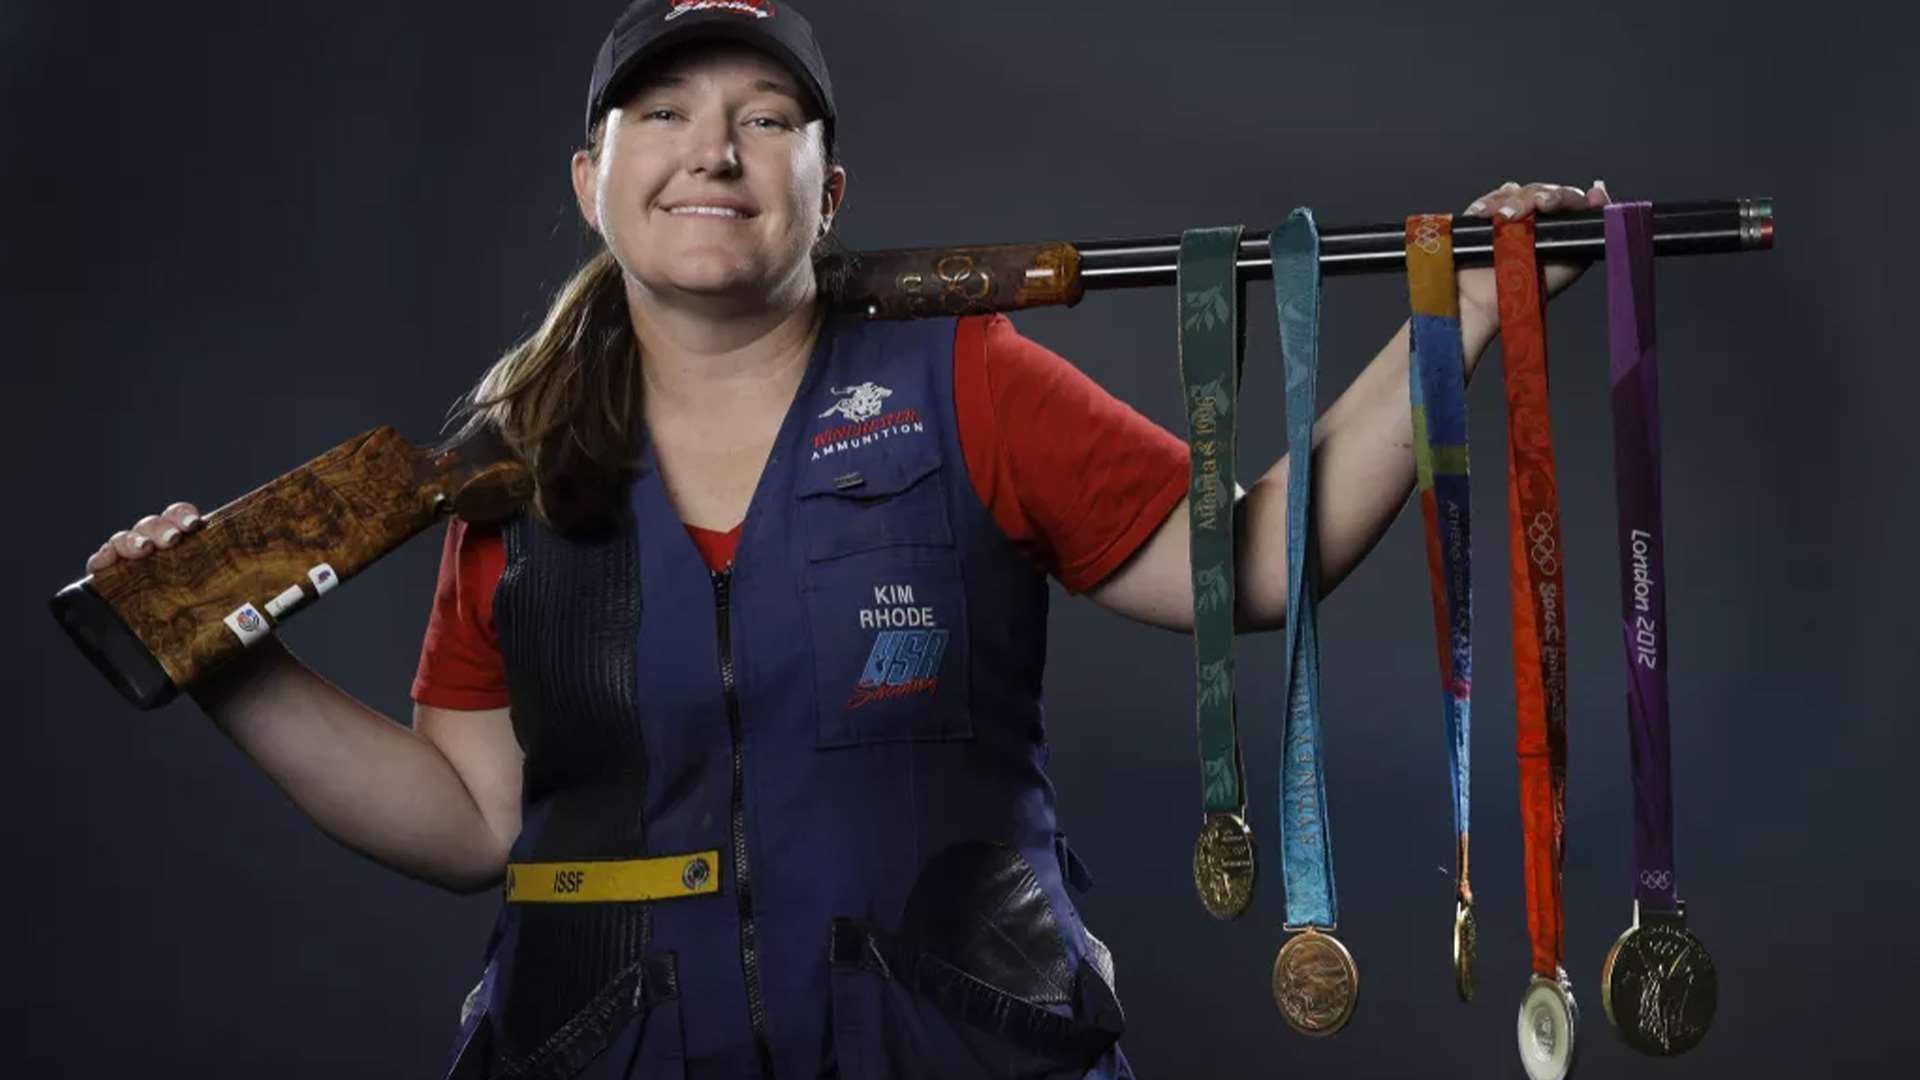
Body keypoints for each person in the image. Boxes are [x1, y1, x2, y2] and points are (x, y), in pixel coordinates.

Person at [84, 1, 1611, 1076]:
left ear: (828, 188)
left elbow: (1260, 562)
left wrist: (1462, 312)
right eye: (664, 115)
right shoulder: (508, 476)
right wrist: (230, 664)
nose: (715, 151)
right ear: (590, 181)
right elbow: (472, 822)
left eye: (767, 119)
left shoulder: (974, 381)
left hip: (965, 1049)